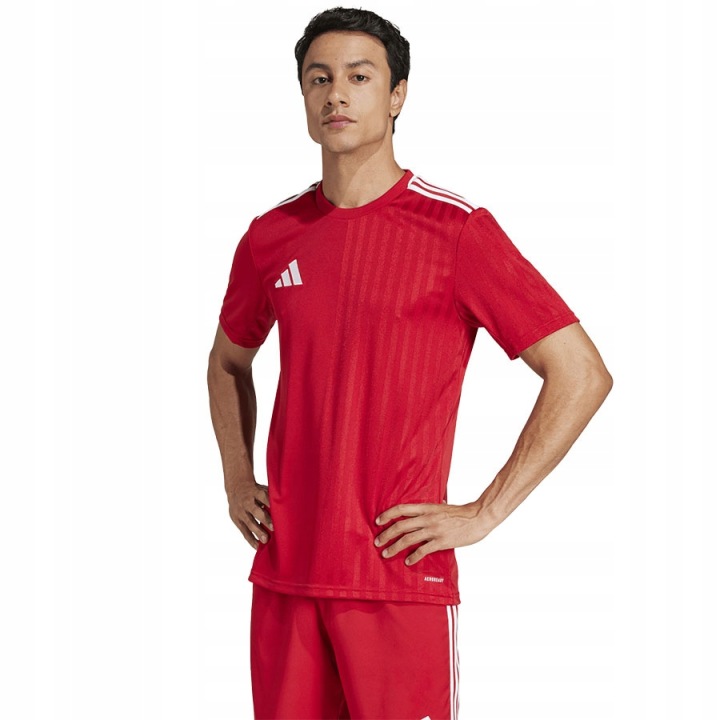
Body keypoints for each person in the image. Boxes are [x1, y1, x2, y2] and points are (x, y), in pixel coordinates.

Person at [207, 6, 613, 719]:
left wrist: (484, 512)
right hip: (286, 576)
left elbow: (580, 373)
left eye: (359, 77)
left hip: (398, 578)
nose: (337, 94)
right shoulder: (271, 236)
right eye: (319, 78)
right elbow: (227, 363)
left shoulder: (455, 231)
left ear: (396, 96)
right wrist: (238, 478)